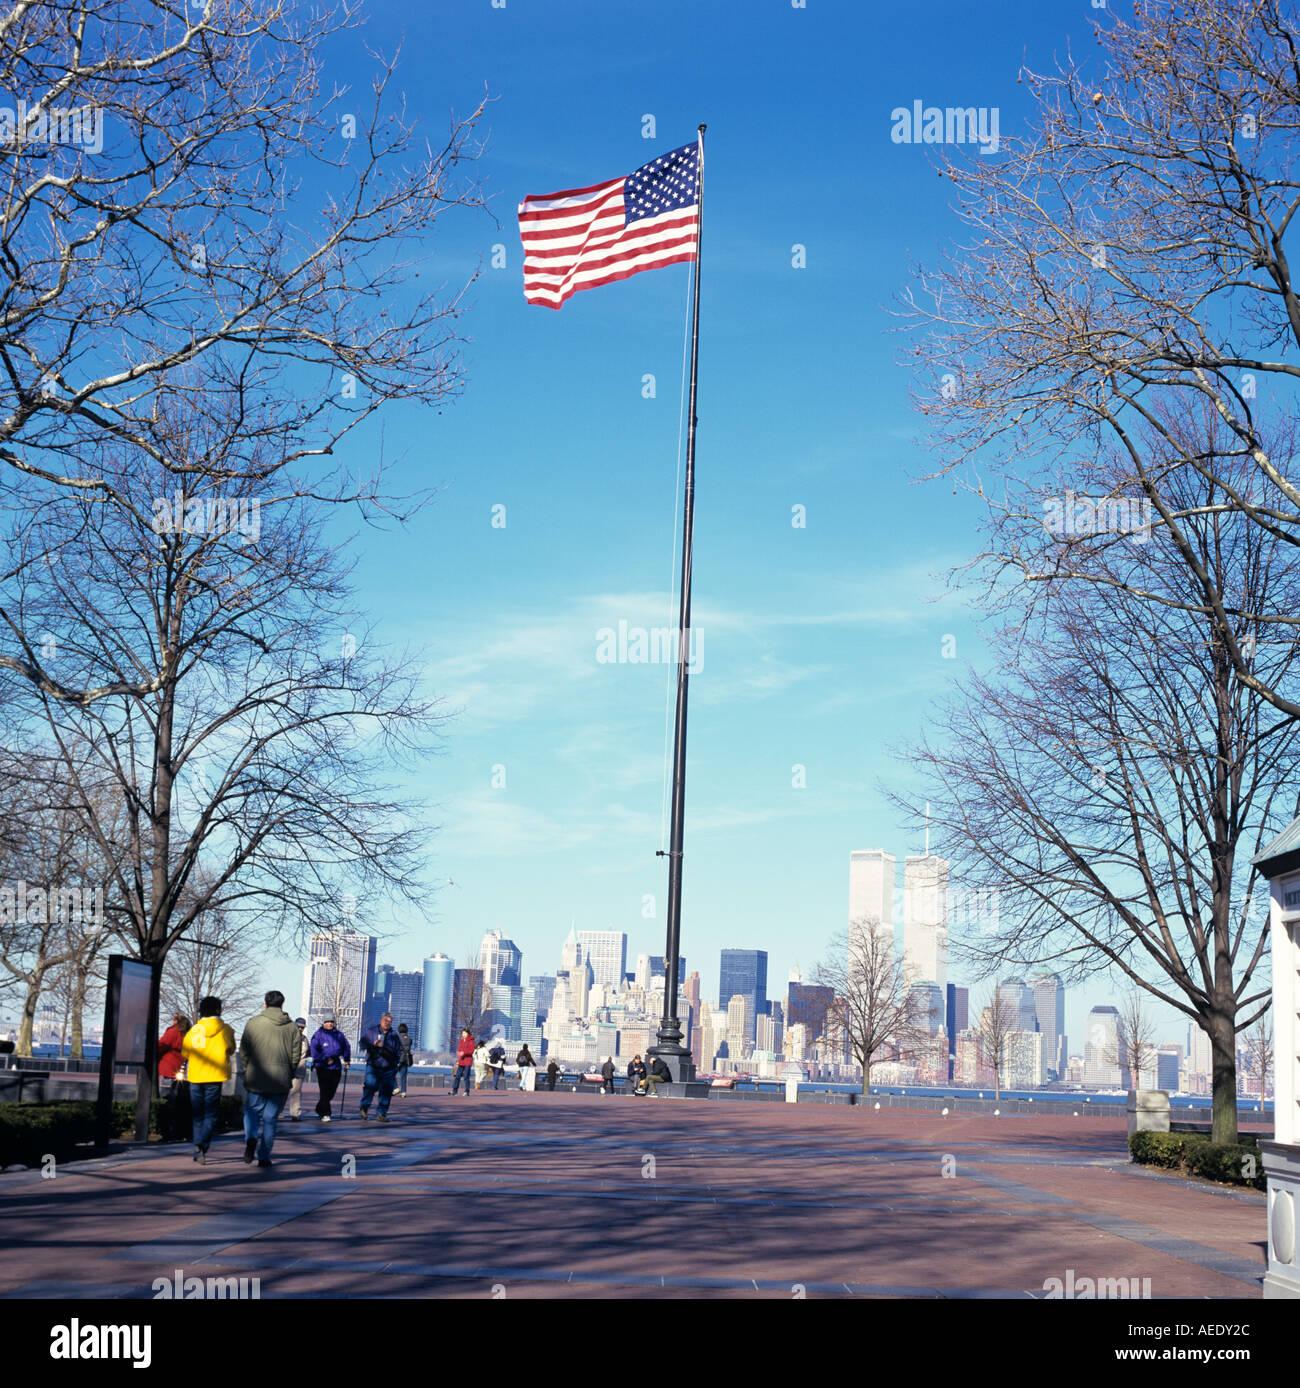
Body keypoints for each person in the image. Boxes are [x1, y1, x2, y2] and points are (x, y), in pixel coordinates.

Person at [238, 989, 305, 1168]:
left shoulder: (253, 1023)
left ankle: (251, 1137)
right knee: (270, 1119)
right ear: (283, 1004)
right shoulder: (291, 1027)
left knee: (251, 1112)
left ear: (265, 1003)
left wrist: (247, 1067)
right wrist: (289, 1073)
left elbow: (244, 1050)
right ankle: (265, 1155)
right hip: (280, 1079)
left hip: (256, 1076)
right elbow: (295, 1055)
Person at [182, 998, 235, 1165]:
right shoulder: (226, 1030)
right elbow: (231, 1049)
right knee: (210, 1114)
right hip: (215, 1076)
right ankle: (203, 1145)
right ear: (219, 1010)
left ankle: (197, 1147)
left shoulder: (195, 1030)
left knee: (197, 1115)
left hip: (196, 1076)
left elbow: (185, 1052)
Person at [358, 1012, 402, 1121]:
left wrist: (396, 1063)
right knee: (370, 1086)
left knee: (386, 1091)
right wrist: (373, 1044)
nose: (387, 1023)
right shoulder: (371, 1031)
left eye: (390, 1022)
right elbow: (362, 1044)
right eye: (385, 1021)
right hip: (373, 1065)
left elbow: (399, 1051)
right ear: (380, 1021)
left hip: (389, 1067)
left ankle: (382, 1113)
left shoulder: (394, 1035)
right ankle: (364, 1107)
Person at [158, 1012, 192, 1141]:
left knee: (167, 1101)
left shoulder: (173, 1032)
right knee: (180, 1102)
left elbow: (162, 1045)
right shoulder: (187, 1033)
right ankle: (182, 1131)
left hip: (169, 1069)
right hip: (181, 1071)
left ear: (176, 1021)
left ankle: (167, 1132)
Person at [308, 1015, 350, 1121]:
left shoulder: (339, 1035)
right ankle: (326, 1113)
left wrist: (347, 1060)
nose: (330, 1024)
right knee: (324, 1090)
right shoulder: (318, 1035)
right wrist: (324, 1059)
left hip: (336, 1066)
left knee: (332, 1091)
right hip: (322, 1066)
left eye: (331, 1022)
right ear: (323, 1023)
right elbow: (313, 1051)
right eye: (327, 1022)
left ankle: (319, 1108)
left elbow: (346, 1046)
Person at [286, 1017, 309, 1120]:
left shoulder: (305, 1039)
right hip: (287, 1067)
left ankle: (295, 1113)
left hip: (300, 1067)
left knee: (296, 1092)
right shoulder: (287, 1037)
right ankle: (278, 1113)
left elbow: (309, 1052)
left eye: (302, 1027)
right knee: (282, 1091)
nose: (300, 1029)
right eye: (298, 1026)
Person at [451, 1027, 475, 1096]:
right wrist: (458, 1052)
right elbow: (459, 1049)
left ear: (468, 1033)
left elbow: (471, 1050)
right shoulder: (461, 1041)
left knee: (466, 1076)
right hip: (461, 1061)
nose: (463, 1034)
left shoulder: (471, 1041)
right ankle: (454, 1091)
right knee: (457, 1076)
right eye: (462, 1033)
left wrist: (464, 1052)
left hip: (467, 1061)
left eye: (465, 1033)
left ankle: (467, 1091)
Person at [396, 1022, 413, 1098]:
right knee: (403, 1076)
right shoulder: (409, 1039)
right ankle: (403, 1092)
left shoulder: (397, 1038)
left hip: (398, 1059)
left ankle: (396, 1088)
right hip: (406, 1059)